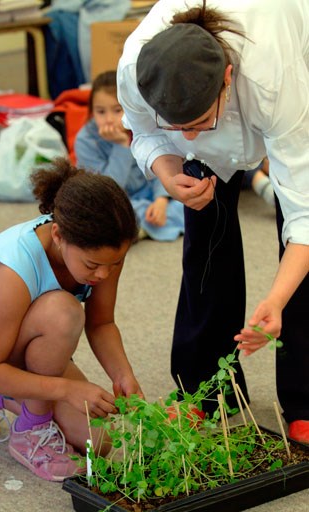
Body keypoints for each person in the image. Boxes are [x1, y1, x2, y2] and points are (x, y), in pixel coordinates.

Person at [117, 0, 309, 442]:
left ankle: (304, 398)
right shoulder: (136, 66)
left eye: (201, 122)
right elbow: (144, 131)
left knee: (299, 254)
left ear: (227, 78)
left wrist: (276, 300)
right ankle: (205, 389)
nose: (187, 136)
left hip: (293, 51)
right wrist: (168, 170)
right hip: (223, 86)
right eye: (177, 124)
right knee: (204, 231)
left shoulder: (272, 79)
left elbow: (303, 210)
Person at [0, 157, 142, 481]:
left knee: (99, 441)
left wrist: (123, 375)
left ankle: (10, 401)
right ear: (59, 235)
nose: (103, 274)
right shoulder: (17, 266)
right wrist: (64, 390)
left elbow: (101, 322)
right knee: (63, 312)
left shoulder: (104, 253)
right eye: (92, 265)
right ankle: (25, 429)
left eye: (114, 263)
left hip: (30, 343)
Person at [74, 70, 184, 241]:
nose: (109, 119)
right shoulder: (85, 140)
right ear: (91, 112)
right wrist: (121, 147)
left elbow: (160, 165)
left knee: (186, 202)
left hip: (150, 195)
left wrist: (161, 200)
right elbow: (108, 188)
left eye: (117, 110)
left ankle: (143, 226)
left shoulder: (141, 127)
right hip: (114, 201)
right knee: (103, 215)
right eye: (101, 112)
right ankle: (142, 225)